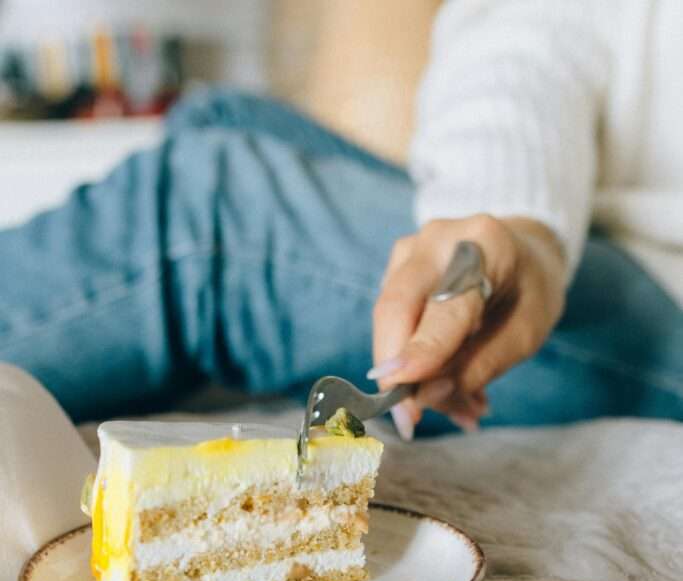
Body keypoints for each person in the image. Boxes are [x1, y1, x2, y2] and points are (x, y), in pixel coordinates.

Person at [0, 0, 681, 437]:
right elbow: (536, 29)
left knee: (211, 208)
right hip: (587, 224)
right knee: (224, 118)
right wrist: (513, 221)